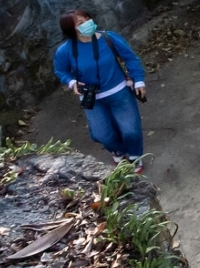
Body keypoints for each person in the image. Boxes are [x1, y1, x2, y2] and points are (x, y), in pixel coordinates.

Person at [53, 10, 148, 169]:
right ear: (71, 29)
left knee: (130, 130)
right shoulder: (65, 50)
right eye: (80, 23)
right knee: (102, 134)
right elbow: (60, 70)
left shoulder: (108, 38)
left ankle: (134, 155)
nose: (87, 23)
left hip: (119, 92)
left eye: (87, 19)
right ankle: (117, 150)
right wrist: (71, 82)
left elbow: (130, 58)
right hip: (91, 97)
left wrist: (138, 80)